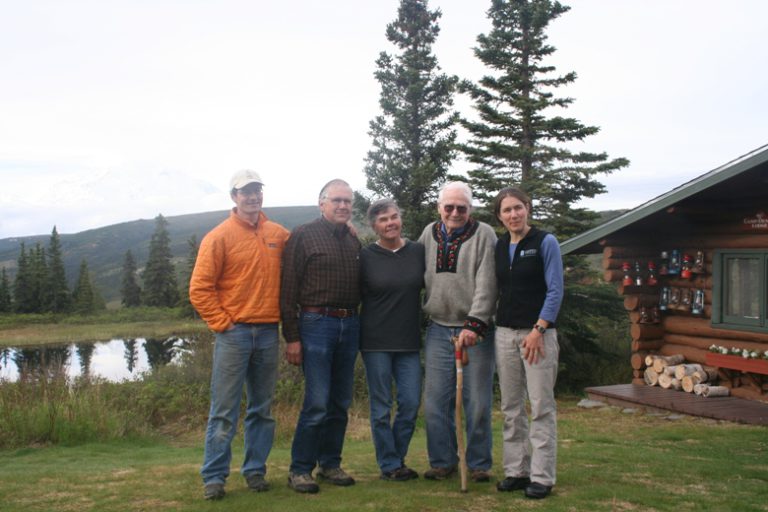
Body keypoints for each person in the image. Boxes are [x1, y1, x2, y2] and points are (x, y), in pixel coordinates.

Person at [189, 169, 290, 501]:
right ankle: (214, 477)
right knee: (224, 410)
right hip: (234, 335)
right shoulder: (218, 237)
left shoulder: (278, 234)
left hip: (267, 334)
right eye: (245, 191)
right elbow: (200, 289)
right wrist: (223, 324)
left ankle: (255, 471)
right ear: (234, 197)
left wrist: (343, 227)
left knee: (261, 409)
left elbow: (307, 248)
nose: (252, 196)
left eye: (257, 190)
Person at [280, 179, 361, 494]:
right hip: (315, 323)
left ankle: (330, 464)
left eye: (347, 201)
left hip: (350, 323)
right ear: (321, 203)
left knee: (340, 401)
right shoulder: (303, 235)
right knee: (317, 401)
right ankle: (300, 469)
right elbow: (288, 289)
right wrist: (292, 336)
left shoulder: (353, 240)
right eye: (336, 200)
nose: (343, 206)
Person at [418, 181, 497, 483]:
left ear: (470, 209)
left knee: (476, 401)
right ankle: (443, 461)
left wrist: (475, 324)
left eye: (461, 207)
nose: (454, 212)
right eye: (448, 207)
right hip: (438, 328)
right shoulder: (429, 233)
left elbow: (488, 283)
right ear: (439, 208)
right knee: (436, 400)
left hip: (474, 331)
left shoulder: (484, 235)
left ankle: (478, 463)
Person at [492, 187, 563, 500]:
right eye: (506, 210)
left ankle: (542, 477)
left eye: (517, 208)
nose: (513, 215)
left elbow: (555, 290)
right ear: (500, 216)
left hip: (538, 336)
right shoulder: (500, 245)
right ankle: (517, 471)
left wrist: (539, 328)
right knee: (511, 407)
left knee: (540, 406)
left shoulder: (545, 242)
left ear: (528, 208)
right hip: (504, 334)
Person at [360, 199, 425, 482]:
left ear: (401, 218)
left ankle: (395, 459)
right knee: (381, 408)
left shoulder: (418, 252)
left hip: (409, 341)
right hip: (375, 342)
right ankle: (390, 464)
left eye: (394, 217)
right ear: (375, 226)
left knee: (410, 404)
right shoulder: (365, 256)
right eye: (383, 219)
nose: (390, 223)